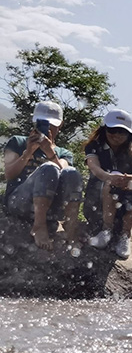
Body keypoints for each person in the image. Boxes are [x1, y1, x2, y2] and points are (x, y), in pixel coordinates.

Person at [3, 100, 83, 250]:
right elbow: (9, 174)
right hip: (19, 202)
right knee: (49, 168)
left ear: (60, 125)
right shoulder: (18, 142)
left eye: (52, 124)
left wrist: (50, 152)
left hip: (52, 208)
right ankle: (39, 225)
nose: (48, 128)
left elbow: (66, 174)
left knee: (71, 172)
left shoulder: (63, 153)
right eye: (43, 123)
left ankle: (71, 226)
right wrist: (28, 153)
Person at [84, 109, 132, 259]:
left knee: (131, 185)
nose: (116, 135)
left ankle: (125, 234)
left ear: (128, 134)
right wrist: (109, 177)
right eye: (112, 130)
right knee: (113, 182)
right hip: (96, 206)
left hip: (124, 206)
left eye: (122, 132)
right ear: (104, 129)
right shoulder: (94, 146)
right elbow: (94, 167)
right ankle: (106, 230)